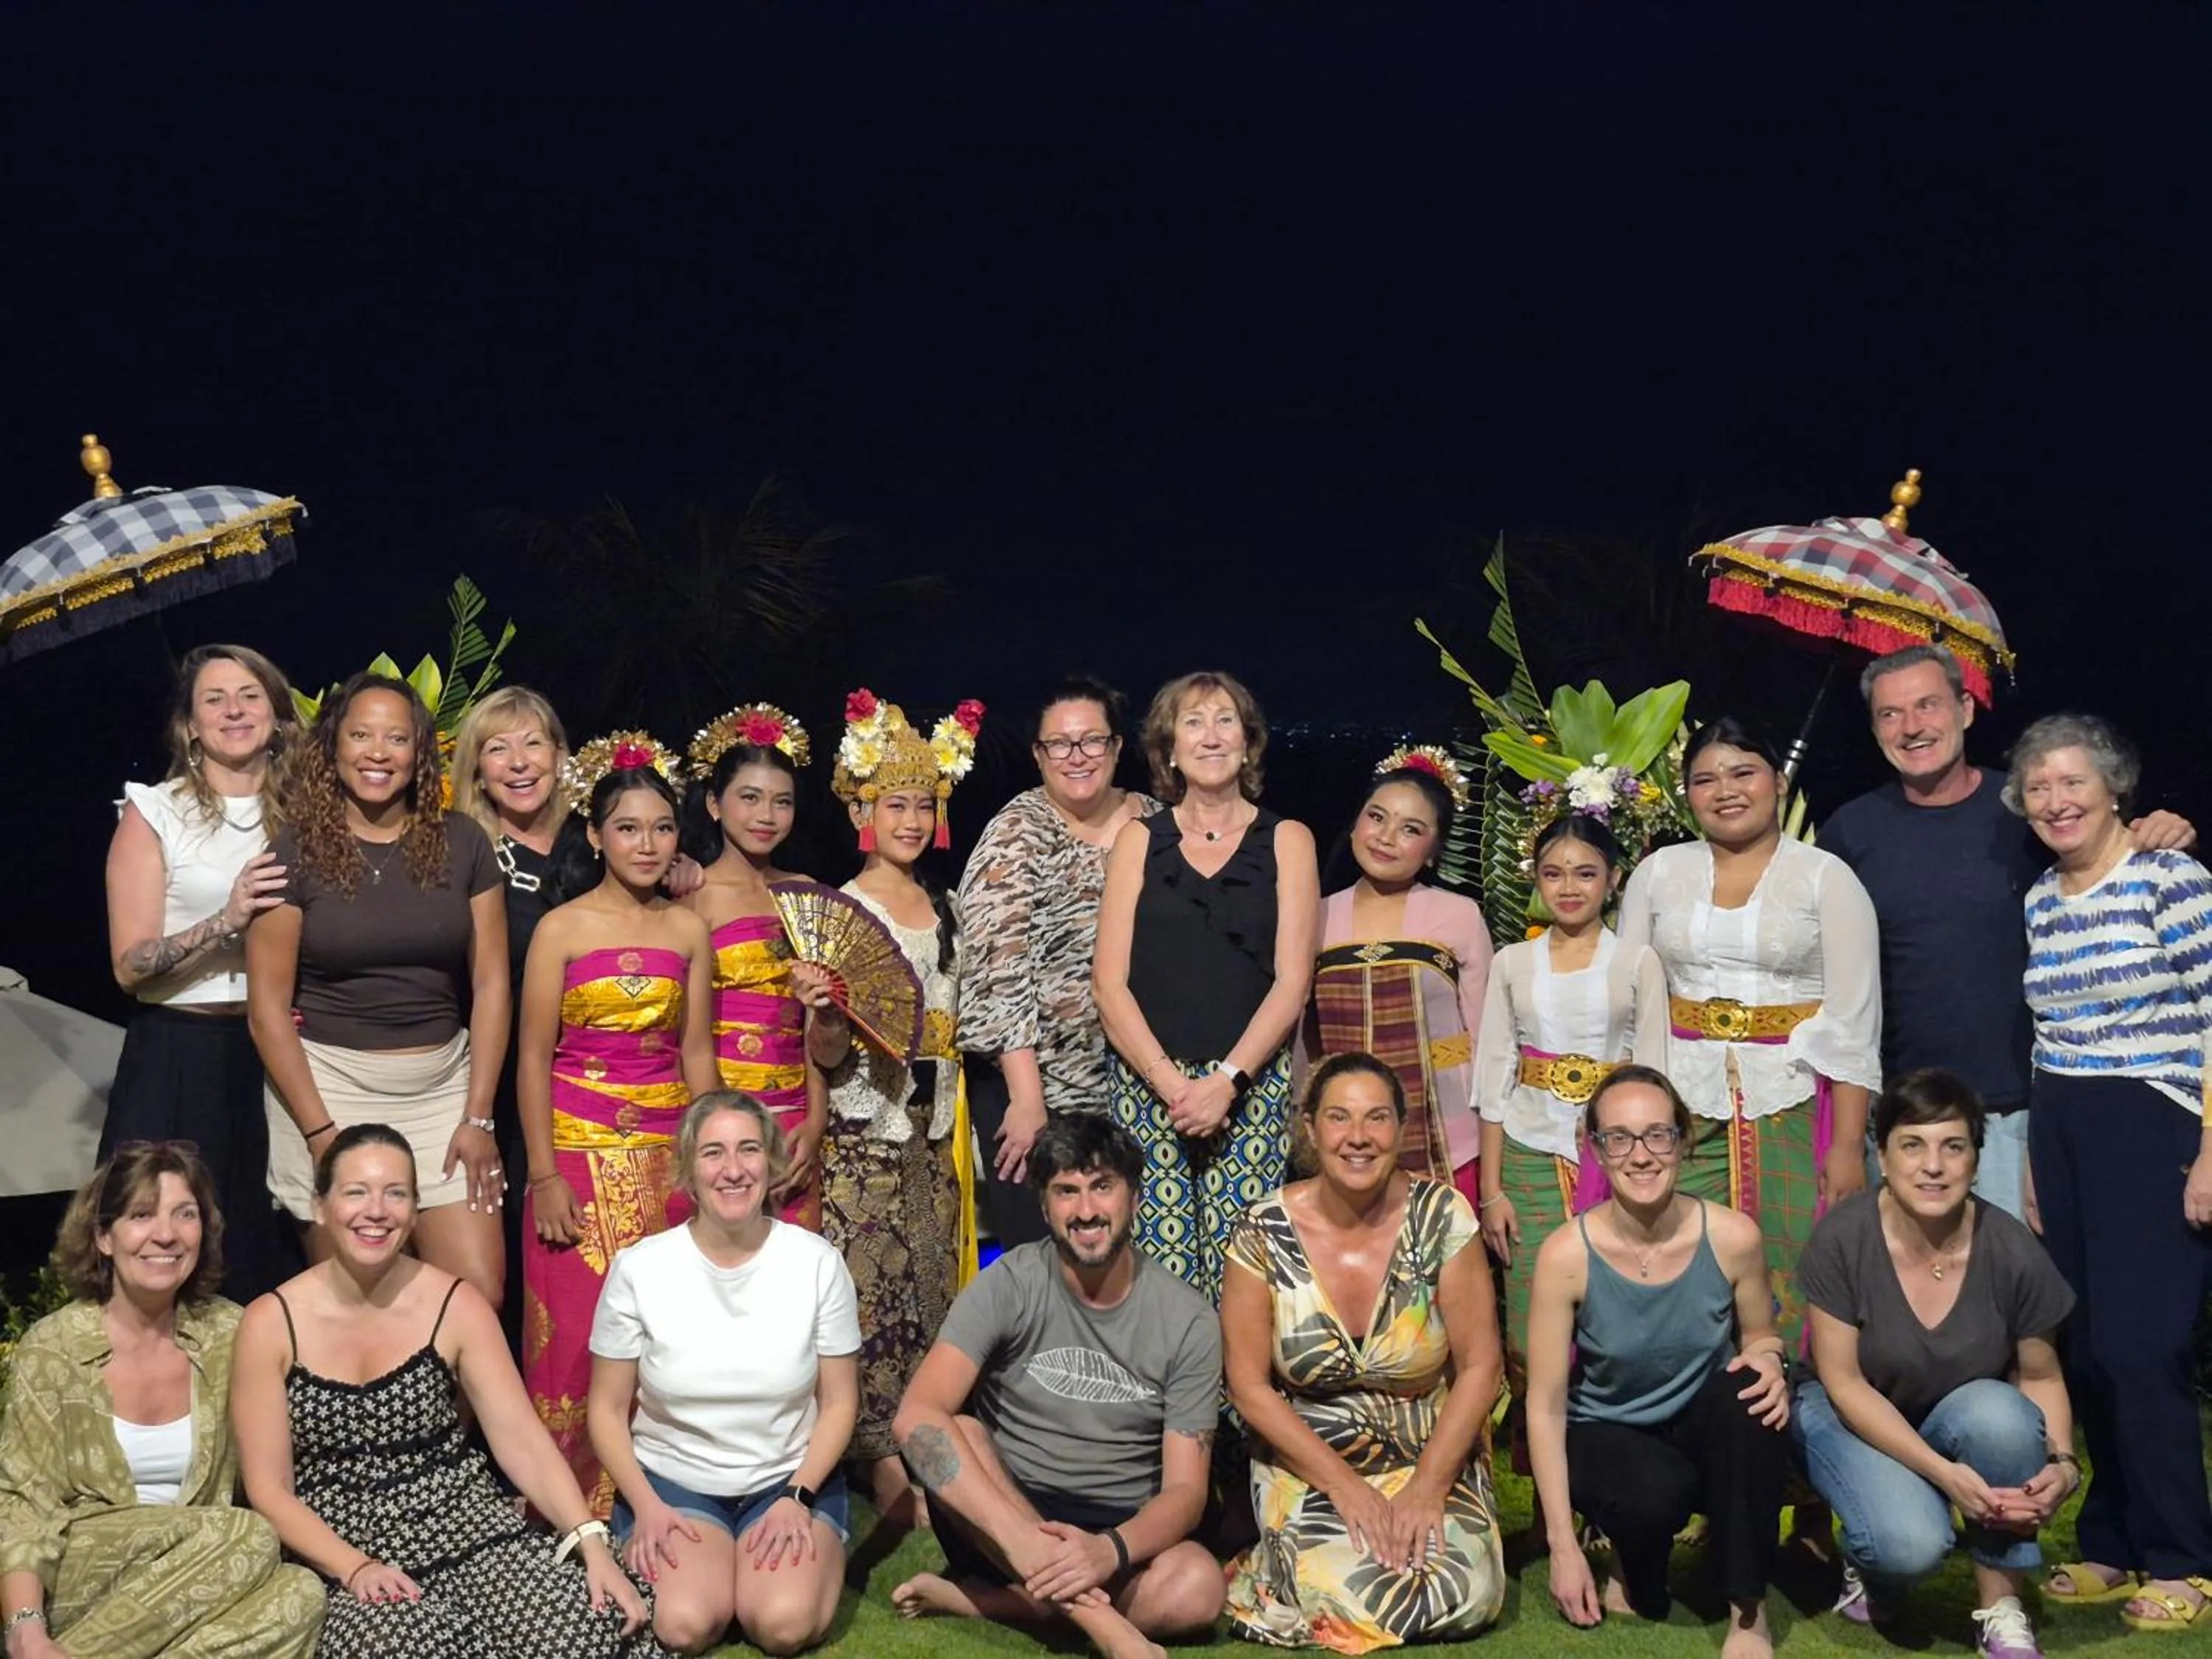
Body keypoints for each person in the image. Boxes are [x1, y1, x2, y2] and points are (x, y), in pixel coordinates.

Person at [229, 1125, 667, 1657]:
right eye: (356, 1192)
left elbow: (523, 1441)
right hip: (342, 1546)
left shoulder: (455, 1304)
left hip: (464, 1524)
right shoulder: (270, 1322)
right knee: (398, 1644)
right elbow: (269, 1490)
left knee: (579, 1628)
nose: (376, 1210)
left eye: (395, 1193)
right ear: (320, 1206)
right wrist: (356, 1567)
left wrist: (590, 1544)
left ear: (415, 1211)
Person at [1819, 645, 2195, 1220]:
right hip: (1903, 1116)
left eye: (1928, 705)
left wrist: (2159, 831)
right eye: (1890, 714)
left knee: (2024, 1301)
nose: (1912, 727)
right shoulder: (1850, 833)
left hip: (2018, 1117)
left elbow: (2103, 858)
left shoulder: (2026, 815)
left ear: (1966, 709)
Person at [2008, 712, 2212, 1631]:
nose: (2055, 799)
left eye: (2072, 781)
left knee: (2143, 1347)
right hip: (2064, 1123)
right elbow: (2050, 1037)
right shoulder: (2042, 897)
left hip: (2157, 1120)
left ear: (2114, 788)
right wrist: (2039, 1166)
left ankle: (2184, 1556)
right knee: (2084, 1348)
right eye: (2039, 785)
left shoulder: (2173, 879)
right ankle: (2111, 1545)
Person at [889, 1116, 1225, 1659]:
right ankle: (1105, 1626)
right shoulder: (1009, 1283)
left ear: (1134, 1199)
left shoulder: (1188, 1320)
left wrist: (1107, 1551)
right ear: (1045, 1208)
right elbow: (915, 1416)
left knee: (1199, 1590)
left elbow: (1186, 1493)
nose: (1087, 1210)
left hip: (1119, 1530)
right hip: (1000, 1520)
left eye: (1102, 1187)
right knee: (962, 1431)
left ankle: (996, 1604)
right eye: (1066, 1191)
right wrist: (1025, 1543)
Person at [1222, 1052, 1506, 1651]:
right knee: (1338, 1586)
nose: (1358, 1137)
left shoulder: (1443, 1216)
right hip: (1312, 1466)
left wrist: (1428, 1487)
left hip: (1432, 1455)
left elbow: (1482, 1366)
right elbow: (1247, 1385)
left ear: (1401, 1130)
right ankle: (1276, 1564)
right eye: (1339, 1118)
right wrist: (1345, 1488)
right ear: (1311, 1129)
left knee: (1462, 1592)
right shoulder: (1260, 1232)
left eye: (1377, 1119)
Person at [1615, 714, 1882, 1348]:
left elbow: (1854, 1020)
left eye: (1743, 772)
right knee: (1681, 1257)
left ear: (1779, 784)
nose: (1725, 790)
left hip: (1792, 1101)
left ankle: (1794, 1415)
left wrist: (1846, 1145)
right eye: (1704, 779)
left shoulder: (1826, 877)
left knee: (1797, 1263)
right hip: (1682, 1103)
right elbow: (1631, 1001)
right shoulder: (1658, 874)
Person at [1793, 1069, 2078, 1658]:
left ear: (1976, 1159)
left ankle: (2001, 1609)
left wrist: (2065, 1464)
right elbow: (1843, 1382)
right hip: (1850, 1412)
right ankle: (1877, 1573)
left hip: (1955, 1411)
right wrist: (1943, 1475)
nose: (1933, 1166)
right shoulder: (1842, 1238)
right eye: (1913, 1145)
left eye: (1954, 1147)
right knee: (1910, 1544)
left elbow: (2041, 1375)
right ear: (1882, 1154)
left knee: (2002, 1417)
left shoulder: (2012, 1250)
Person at [247, 671, 509, 1307]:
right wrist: (320, 1135)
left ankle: (446, 1416)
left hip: (442, 1087)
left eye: (396, 738)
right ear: (332, 747)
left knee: (476, 1294)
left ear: (420, 752)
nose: (377, 752)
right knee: (350, 1303)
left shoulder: (463, 842)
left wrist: (478, 1116)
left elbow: (492, 980)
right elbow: (267, 1010)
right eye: (361, 734)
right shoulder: (292, 854)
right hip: (327, 1088)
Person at [0, 1143, 323, 1659]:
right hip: (83, 1578)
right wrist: (25, 1627)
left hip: (197, 1580)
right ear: (104, 1236)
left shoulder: (230, 1334)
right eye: (142, 1215)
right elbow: (23, 1506)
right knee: (249, 1535)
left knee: (300, 1596)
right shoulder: (53, 1347)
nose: (166, 1234)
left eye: (185, 1214)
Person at [1526, 1067, 1791, 1658]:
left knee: (1748, 1392)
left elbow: (1761, 1337)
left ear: (1682, 1141)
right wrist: (1564, 1548)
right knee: (1652, 1504)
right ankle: (1632, 1555)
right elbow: (1543, 1407)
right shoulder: (1566, 1255)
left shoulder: (1732, 1238)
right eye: (1618, 1138)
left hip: (1700, 1425)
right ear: (1595, 1149)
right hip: (1608, 1430)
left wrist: (1770, 1361)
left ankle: (1748, 1611)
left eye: (1657, 1136)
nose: (1640, 1155)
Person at [519, 737, 719, 1514]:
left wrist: (712, 1162)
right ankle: (567, 1511)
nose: (648, 843)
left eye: (663, 827)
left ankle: (660, 1508)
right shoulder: (560, 929)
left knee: (665, 1342)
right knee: (573, 1340)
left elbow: (696, 1052)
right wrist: (544, 1176)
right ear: (596, 836)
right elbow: (532, 1059)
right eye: (628, 828)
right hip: (575, 1159)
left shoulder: (688, 930)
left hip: (667, 1165)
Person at [587, 1093, 858, 1656]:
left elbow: (838, 1404)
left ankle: (788, 1559)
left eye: (748, 1150)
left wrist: (797, 1495)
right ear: (689, 1170)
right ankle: (713, 1566)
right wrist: (648, 1505)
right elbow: (607, 1411)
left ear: (771, 1163)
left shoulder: (817, 1263)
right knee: (685, 1624)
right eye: (713, 1153)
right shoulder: (640, 1269)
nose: (733, 1170)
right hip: (674, 1484)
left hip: (788, 1479)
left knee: (783, 1625)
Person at [1094, 669, 1320, 1302]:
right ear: (1169, 748)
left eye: (1225, 721)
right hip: (1149, 1089)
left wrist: (1226, 1083)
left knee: (1244, 1274)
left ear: (1248, 743)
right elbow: (1109, 985)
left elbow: (1291, 981)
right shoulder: (1138, 839)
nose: (1211, 736)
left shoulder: (1289, 840)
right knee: (1158, 1278)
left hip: (1249, 1090)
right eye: (1192, 722)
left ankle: (1241, 1402)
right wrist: (1172, 1085)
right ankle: (1172, 1405)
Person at [818, 689, 984, 1526]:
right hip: (864, 1132)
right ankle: (874, 1467)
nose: (912, 820)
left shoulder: (951, 906)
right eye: (896, 804)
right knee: (868, 1299)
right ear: (863, 809)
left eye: (924, 804)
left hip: (938, 1134)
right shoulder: (846, 909)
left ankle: (928, 1451)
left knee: (932, 1293)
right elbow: (827, 1054)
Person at [100, 643, 302, 1302]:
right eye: (214, 699)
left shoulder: (308, 813)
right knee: (170, 1248)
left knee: (271, 1250)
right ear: (190, 726)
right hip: (181, 1055)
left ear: (276, 709)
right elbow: (131, 966)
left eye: (249, 694)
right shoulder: (155, 813)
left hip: (282, 1055)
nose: (234, 710)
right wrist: (228, 917)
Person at [1474, 811, 1668, 1468]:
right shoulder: (1512, 963)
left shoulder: (1637, 961)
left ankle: (1614, 1476)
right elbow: (1493, 1078)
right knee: (1533, 1322)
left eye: (1586, 873)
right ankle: (1546, 1491)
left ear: (1613, 881)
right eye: (1553, 873)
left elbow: (1654, 1072)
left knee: (1615, 1315)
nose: (1569, 887)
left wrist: (1641, 1164)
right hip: (1530, 1153)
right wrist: (1492, 1191)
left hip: (1615, 1160)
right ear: (1535, 880)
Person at [957, 675, 1161, 1248]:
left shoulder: (1156, 823)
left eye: (1092, 741)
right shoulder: (1015, 833)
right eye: (1059, 745)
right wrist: (1027, 1099)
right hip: (1037, 1087)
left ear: (1118, 747)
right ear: (1039, 756)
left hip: (1140, 1083)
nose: (1077, 757)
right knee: (1050, 1257)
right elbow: (998, 971)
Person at [1304, 745, 1492, 1192]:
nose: (1387, 837)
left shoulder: (1459, 914)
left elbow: (1487, 1037)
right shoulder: (1315, 917)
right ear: (1354, 825)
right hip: (1346, 1144)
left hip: (1450, 1140)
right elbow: (1303, 1040)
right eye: (1377, 817)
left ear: (1433, 851)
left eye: (1411, 829)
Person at [680, 703, 836, 1230]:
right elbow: (687, 1032)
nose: (766, 816)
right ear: (714, 805)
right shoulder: (690, 895)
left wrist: (815, 1121)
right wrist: (718, 1132)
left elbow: (812, 1025)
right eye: (749, 798)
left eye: (782, 802)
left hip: (793, 1115)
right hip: (717, 1112)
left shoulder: (808, 895)